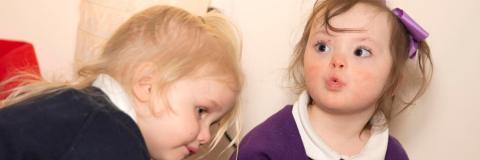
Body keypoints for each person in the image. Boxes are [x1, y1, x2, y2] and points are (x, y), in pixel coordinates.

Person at [0, 5, 243, 160]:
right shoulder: (108, 138)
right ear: (147, 85)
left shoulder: (77, 109)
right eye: (200, 111)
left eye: (213, 124)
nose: (205, 136)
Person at [232, 0, 432, 159]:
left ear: (393, 82)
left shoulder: (393, 155)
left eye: (360, 51)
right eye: (322, 47)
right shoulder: (265, 146)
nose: (337, 60)